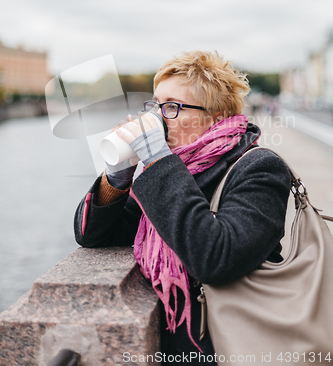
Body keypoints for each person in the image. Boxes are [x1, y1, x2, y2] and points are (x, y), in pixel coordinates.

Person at [74, 51, 290, 364]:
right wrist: (116, 178)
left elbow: (216, 257)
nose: (158, 118)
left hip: (235, 347)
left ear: (215, 117)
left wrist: (159, 159)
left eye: (171, 107)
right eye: (154, 106)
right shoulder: (169, 172)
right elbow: (94, 235)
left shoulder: (258, 167)